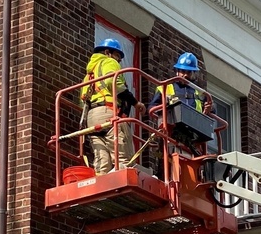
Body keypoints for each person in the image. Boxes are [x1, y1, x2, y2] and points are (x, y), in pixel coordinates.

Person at [79, 38, 137, 174]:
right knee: (122, 155)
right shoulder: (109, 62)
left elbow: (82, 100)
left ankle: (102, 186)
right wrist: (135, 102)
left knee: (101, 161)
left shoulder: (89, 75)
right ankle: (124, 179)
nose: (119, 60)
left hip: (91, 118)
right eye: (118, 56)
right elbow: (114, 82)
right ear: (108, 52)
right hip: (109, 112)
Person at [148, 52, 213, 155]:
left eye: (189, 72)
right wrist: (166, 108)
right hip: (171, 133)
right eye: (183, 71)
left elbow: (212, 115)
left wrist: (207, 111)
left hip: (193, 136)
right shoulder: (165, 88)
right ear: (177, 71)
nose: (185, 75)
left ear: (193, 74)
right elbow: (152, 107)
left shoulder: (200, 93)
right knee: (168, 163)